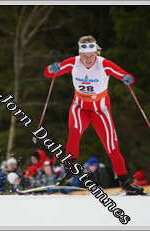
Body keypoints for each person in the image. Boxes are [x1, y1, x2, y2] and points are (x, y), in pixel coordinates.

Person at [43, 35, 143, 195]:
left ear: (96, 52)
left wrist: (127, 78)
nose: (88, 59)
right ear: (80, 54)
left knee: (112, 147)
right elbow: (48, 73)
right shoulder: (73, 62)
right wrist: (52, 68)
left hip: (100, 111)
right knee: (74, 133)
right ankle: (69, 170)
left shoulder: (104, 64)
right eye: (85, 56)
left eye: (91, 56)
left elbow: (126, 76)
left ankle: (125, 182)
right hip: (79, 108)